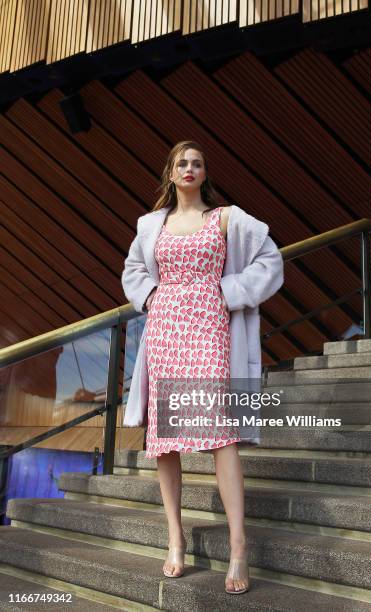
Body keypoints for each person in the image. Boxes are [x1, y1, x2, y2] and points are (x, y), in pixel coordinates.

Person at [121, 140, 284, 595]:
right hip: (166, 330)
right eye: (181, 163)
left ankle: (238, 547)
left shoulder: (227, 217)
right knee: (165, 440)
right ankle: (174, 540)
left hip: (211, 328)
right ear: (171, 174)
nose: (189, 168)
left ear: (204, 173)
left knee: (221, 434)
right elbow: (133, 269)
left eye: (196, 163)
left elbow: (270, 259)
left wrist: (229, 291)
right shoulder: (153, 223)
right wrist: (151, 296)